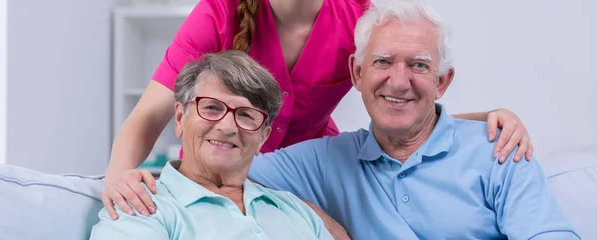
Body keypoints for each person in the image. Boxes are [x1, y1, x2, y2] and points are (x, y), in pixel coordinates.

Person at [104, 0, 534, 223]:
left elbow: (403, 96)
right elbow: (150, 113)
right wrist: (117, 175)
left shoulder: (357, 16)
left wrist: (491, 117)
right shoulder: (220, 11)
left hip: (310, 174)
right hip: (235, 165)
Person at [246, 1, 579, 238]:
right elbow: (219, 173)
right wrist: (318, 220)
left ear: (442, 82)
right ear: (357, 73)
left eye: (419, 65)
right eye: (383, 62)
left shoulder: (502, 152)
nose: (399, 81)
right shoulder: (326, 161)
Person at [90, 51, 333, 239]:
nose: (228, 127)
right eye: (211, 108)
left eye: (246, 115)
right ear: (179, 118)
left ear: (263, 138)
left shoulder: (295, 210)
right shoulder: (142, 207)